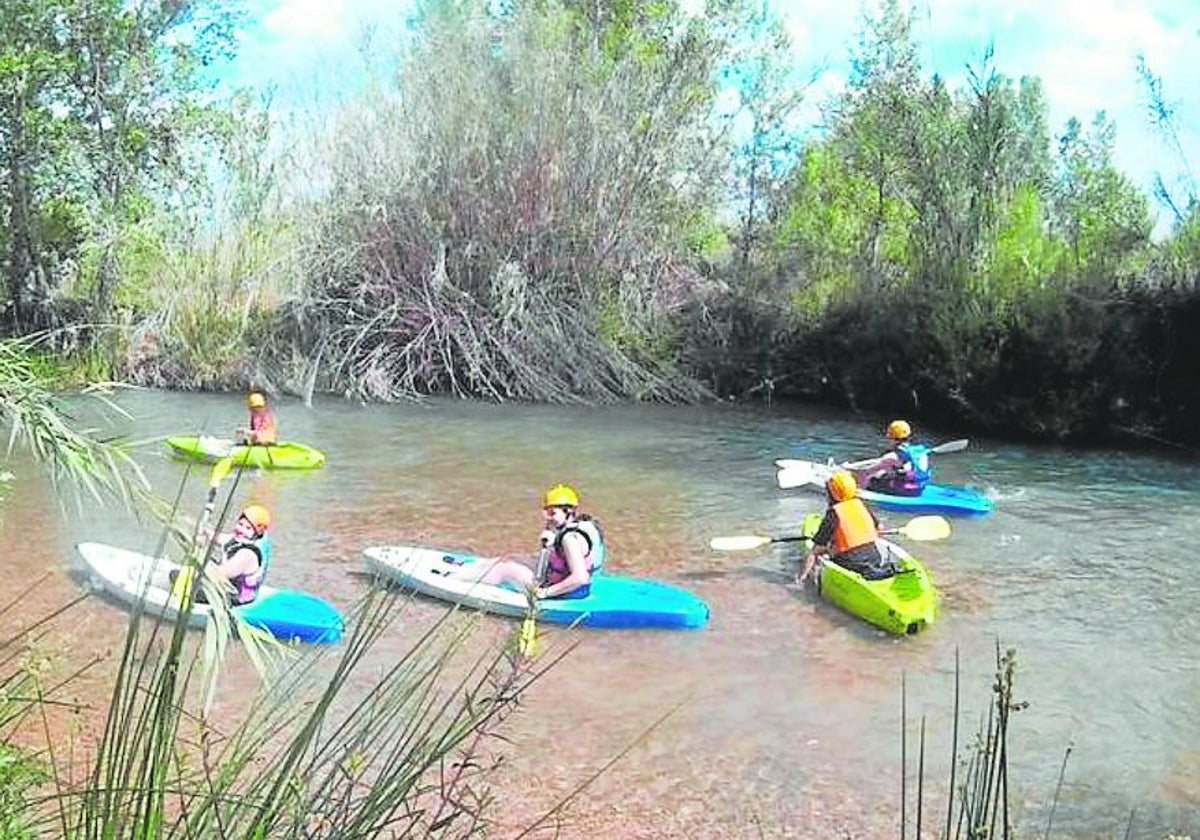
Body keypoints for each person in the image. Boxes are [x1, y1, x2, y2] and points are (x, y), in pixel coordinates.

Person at [451, 483, 606, 600]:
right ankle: (469, 567)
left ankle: (454, 578)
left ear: (569, 511)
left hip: (567, 591)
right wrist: (552, 544)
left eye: (553, 513)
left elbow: (580, 578)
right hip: (560, 577)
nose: (548, 517)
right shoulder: (584, 524)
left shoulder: (569, 539)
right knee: (512, 557)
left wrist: (544, 593)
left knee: (506, 569)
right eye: (546, 512)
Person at [798, 471, 897, 586]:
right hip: (875, 558)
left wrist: (802, 577)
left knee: (814, 553)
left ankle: (801, 581)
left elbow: (816, 549)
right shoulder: (860, 505)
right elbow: (879, 528)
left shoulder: (833, 514)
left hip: (851, 564)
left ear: (831, 494)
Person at [174, 504, 272, 606]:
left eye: (247, 528)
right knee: (176, 575)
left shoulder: (247, 554)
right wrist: (203, 530)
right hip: (223, 587)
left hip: (235, 597)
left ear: (256, 533)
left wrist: (199, 562)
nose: (241, 530)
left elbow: (221, 574)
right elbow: (215, 537)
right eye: (240, 524)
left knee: (189, 588)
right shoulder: (237, 539)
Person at [849, 419, 933, 496]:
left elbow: (866, 471)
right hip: (920, 487)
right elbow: (878, 461)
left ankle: (862, 492)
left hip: (907, 491)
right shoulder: (918, 450)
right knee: (884, 471)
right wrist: (851, 465)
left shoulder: (892, 456)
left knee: (873, 476)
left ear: (891, 437)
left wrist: (851, 472)